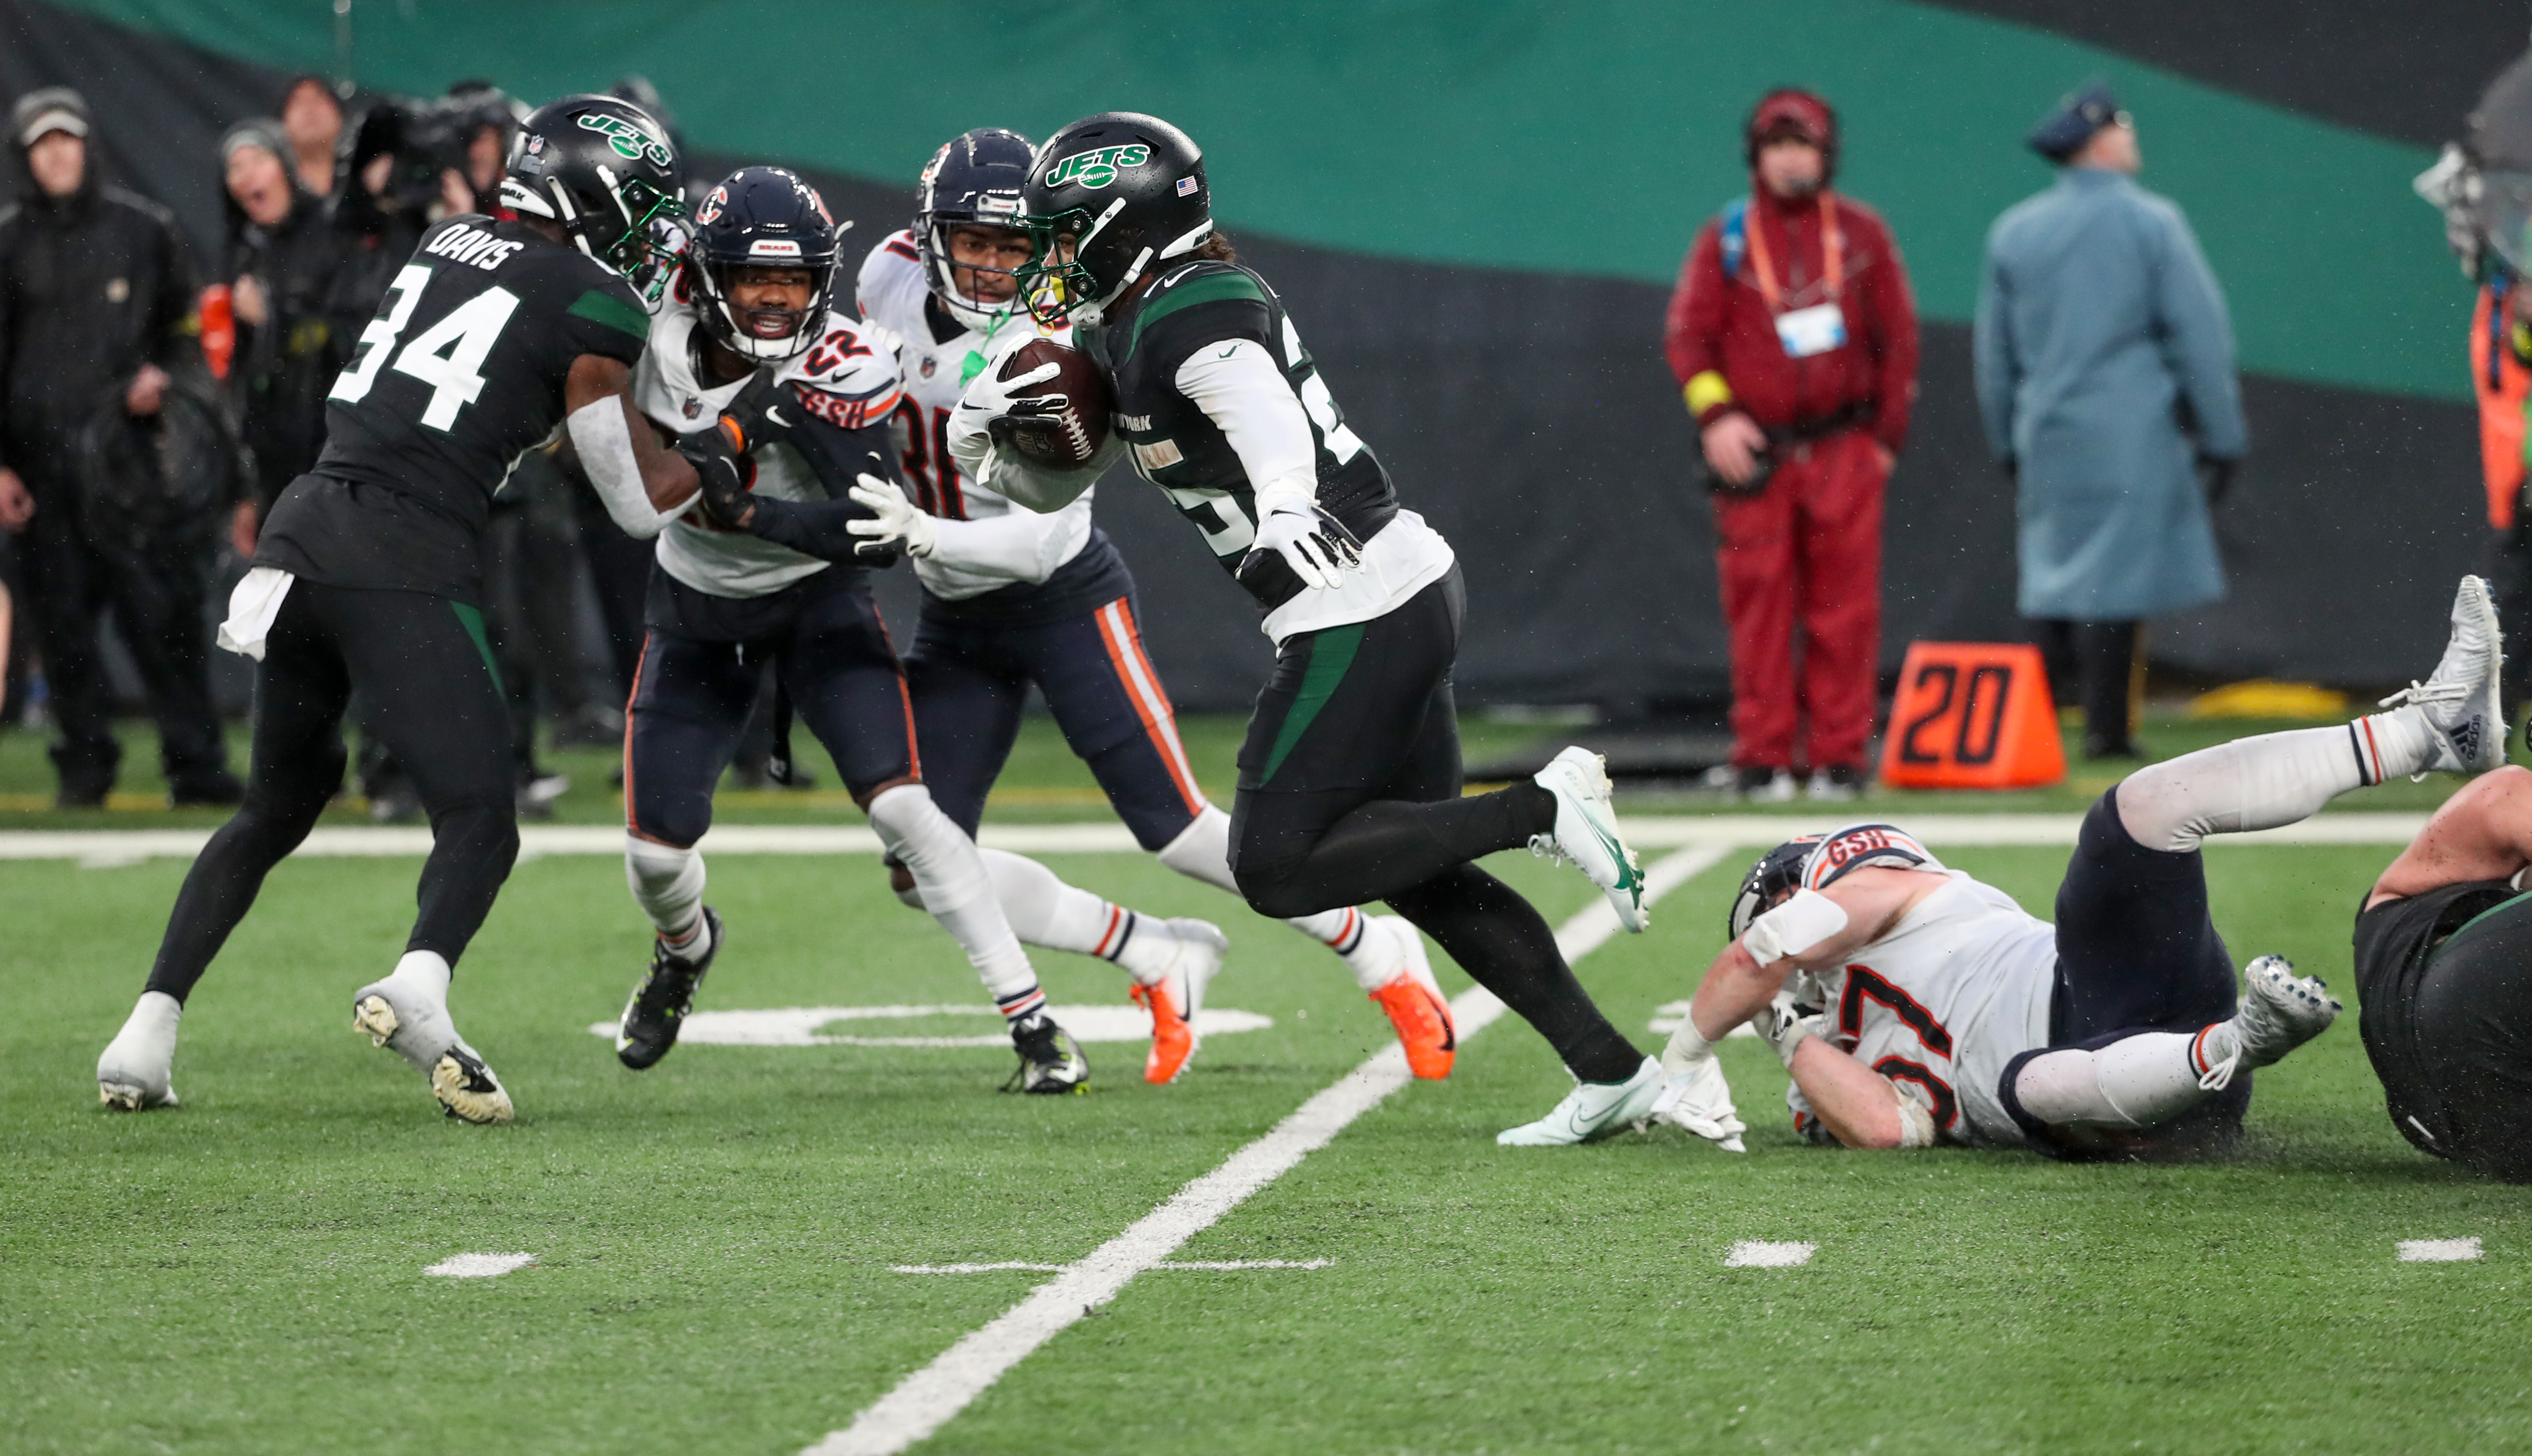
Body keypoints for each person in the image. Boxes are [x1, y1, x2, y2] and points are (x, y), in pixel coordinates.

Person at [958, 111, 1660, 1144]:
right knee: (1413, 865)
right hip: (1394, 586)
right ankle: (1609, 1072)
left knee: (1275, 865)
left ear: (1123, 226)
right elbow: (1089, 463)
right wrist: (995, 449)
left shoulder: (1190, 309)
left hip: (1354, 602)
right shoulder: (1142, 312)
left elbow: (1262, 418)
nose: (1050, 259)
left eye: (1065, 235)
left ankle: (1541, 808)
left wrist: (1286, 506)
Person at [92, 95, 705, 1122]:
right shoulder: (595, 301)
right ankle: (420, 982)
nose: (643, 233)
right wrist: (727, 454)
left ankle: (145, 1030)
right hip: (403, 552)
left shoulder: (445, 235)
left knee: (275, 805)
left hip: (304, 526)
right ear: (596, 200)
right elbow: (637, 502)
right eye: (635, 208)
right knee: (481, 818)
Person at [852, 126, 1455, 1087]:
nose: (1002, 265)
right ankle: (1150, 951)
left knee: (1177, 827)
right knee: (919, 861)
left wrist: (924, 531)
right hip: (951, 612)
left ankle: (1377, 951)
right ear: (928, 236)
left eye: (1022, 244)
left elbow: (1043, 533)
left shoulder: (1067, 338)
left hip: (1057, 596)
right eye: (977, 242)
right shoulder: (882, 278)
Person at [1654, 576, 2503, 1158]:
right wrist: (1790, 1031)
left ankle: (2427, 733)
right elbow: (1886, 1130)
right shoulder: (1826, 1048)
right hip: (2110, 1107)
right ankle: (2237, 1042)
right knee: (2032, 1085)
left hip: (2100, 993)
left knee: (2133, 817)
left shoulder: (1872, 894)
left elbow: (1757, 956)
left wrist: (1690, 1049)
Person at [607, 165, 1087, 1094]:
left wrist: (754, 506)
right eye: (755, 278)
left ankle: (1031, 1021)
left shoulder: (844, 360)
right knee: (655, 856)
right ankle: (683, 951)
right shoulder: (648, 329)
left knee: (908, 808)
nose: (777, 298)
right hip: (696, 610)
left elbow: (870, 529)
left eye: (793, 280)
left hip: (814, 600)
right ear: (708, 276)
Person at [1975, 81, 2247, 760]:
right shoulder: (2153, 222)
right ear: (2100, 138)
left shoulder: (2014, 231)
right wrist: (2223, 434)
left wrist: (2006, 435)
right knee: (2115, 588)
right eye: (2125, 129)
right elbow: (2200, 338)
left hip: (2046, 433)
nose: (2134, 141)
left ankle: (2020, 735)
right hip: (2132, 436)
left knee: (2051, 580)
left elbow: (1995, 356)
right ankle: (2107, 730)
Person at [1663, 89, 1917, 804]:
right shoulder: (1729, 237)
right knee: (1759, 607)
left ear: (1826, 153)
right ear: (1757, 155)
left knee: (1846, 610)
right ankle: (1763, 757)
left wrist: (1884, 443)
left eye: (1803, 144)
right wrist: (1717, 419)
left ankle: (1839, 758)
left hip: (1843, 448)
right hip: (1759, 456)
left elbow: (1897, 342)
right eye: (1777, 145)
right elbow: (1688, 337)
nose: (1791, 157)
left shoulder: (1862, 234)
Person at [0, 86, 241, 809]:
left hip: (134, 471)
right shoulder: (7, 240)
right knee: (64, 631)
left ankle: (196, 766)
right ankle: (84, 769)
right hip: (41, 473)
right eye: (43, 144)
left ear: (88, 146)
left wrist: (163, 375)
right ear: (25, 155)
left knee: (165, 622)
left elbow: (189, 330)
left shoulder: (145, 230)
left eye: (68, 139)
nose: (58, 154)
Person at [219, 119, 348, 556]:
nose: (247, 175)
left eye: (258, 159)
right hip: (274, 461)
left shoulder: (335, 232)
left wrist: (275, 318)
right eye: (235, 167)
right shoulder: (246, 251)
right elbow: (244, 380)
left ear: (285, 167)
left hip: (336, 451)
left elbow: (351, 334)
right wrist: (246, 491)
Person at [278, 76, 341, 201]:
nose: (309, 110)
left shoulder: (364, 178)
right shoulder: (274, 191)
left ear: (340, 117)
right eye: (298, 102)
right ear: (283, 121)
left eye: (319, 99)